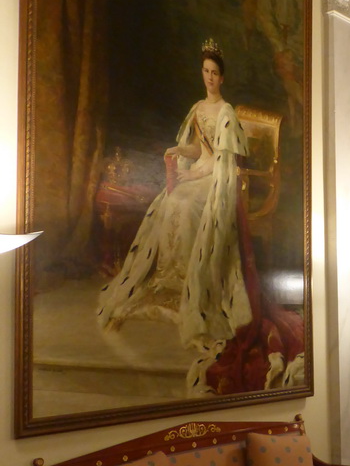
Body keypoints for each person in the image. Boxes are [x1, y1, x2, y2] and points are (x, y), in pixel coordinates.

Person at [97, 39, 303, 394]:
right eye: (205, 72)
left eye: (214, 73)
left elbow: (222, 162)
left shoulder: (226, 113)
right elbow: (198, 149)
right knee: (169, 202)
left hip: (218, 180)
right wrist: (179, 151)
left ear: (222, 78)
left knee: (190, 206)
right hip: (200, 172)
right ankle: (171, 279)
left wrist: (195, 174)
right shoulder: (197, 108)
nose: (209, 78)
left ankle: (196, 286)